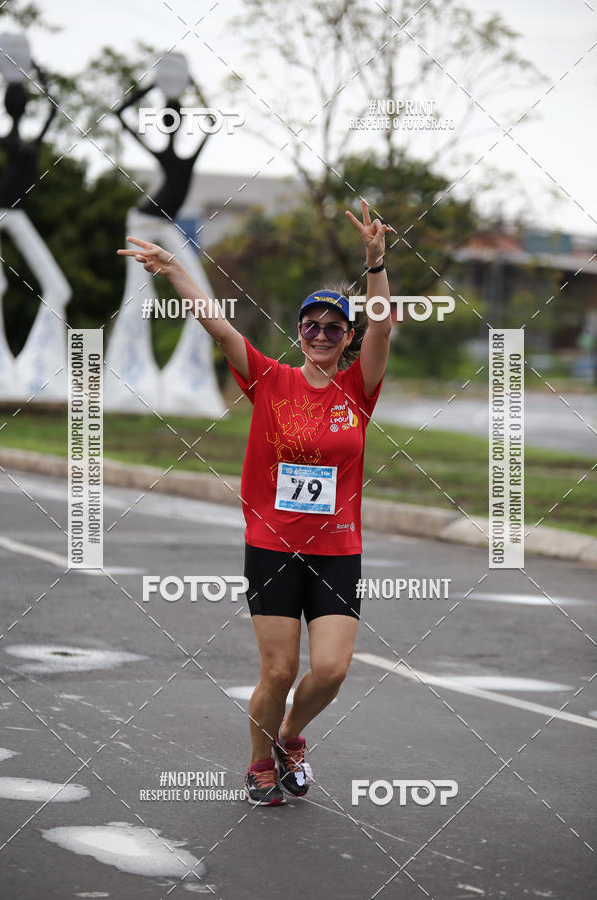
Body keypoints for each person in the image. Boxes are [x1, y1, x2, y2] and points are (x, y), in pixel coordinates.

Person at [117, 199, 392, 806]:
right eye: (312, 326)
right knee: (278, 672)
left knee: (333, 670)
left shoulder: (358, 389)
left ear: (348, 338)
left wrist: (375, 262)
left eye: (335, 328)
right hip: (272, 547)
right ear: (299, 332)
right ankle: (257, 761)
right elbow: (215, 323)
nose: (322, 335)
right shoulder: (270, 379)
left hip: (337, 548)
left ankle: (289, 737)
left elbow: (384, 325)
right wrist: (176, 268)